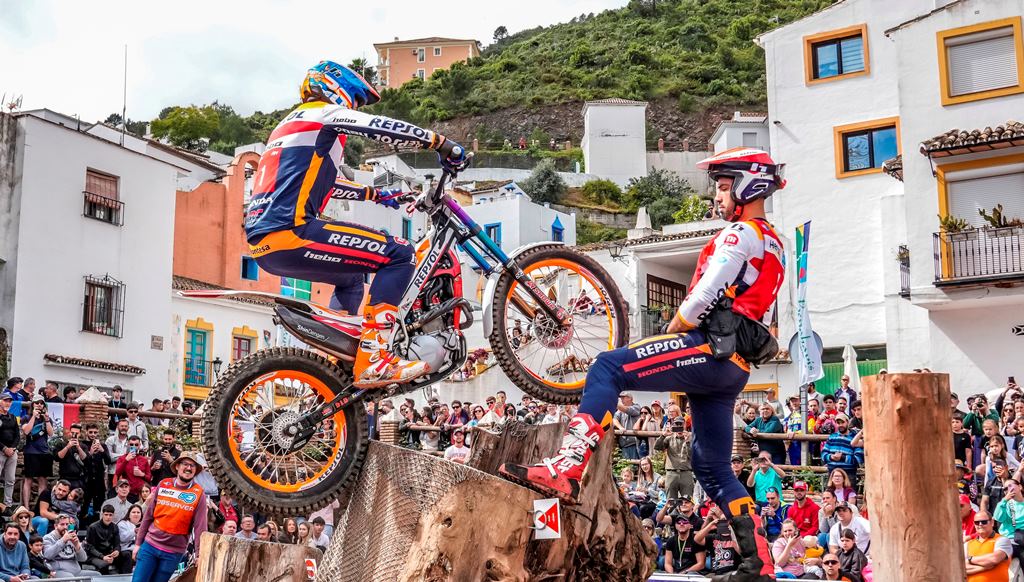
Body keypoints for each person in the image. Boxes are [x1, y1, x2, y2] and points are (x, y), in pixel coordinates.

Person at [499, 148, 786, 580]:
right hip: (736, 366)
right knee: (711, 467)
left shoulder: (738, 234)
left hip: (709, 347)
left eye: (725, 187)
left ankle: (566, 468)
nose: (718, 196)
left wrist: (675, 328)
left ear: (749, 186)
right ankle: (757, 563)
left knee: (607, 367)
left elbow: (707, 291)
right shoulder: (775, 242)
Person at [245, 61, 467, 388]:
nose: (356, 107)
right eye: (356, 100)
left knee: (351, 282)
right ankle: (374, 356)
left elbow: (322, 182)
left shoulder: (286, 129)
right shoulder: (322, 113)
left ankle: (335, 366)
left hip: (265, 244)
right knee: (400, 253)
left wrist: (376, 194)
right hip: (291, 233)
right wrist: (441, 143)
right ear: (337, 89)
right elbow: (381, 126)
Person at [133, 452, 208, 582]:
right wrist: (138, 544)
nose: (188, 468)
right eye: (185, 464)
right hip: (150, 546)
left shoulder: (199, 493)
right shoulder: (163, 484)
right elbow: (148, 516)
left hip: (173, 553)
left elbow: (200, 527)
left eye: (192, 465)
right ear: (177, 466)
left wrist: (199, 554)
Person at [21, 397, 54, 507]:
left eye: (41, 403)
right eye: (37, 403)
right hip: (30, 452)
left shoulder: (46, 418)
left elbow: (51, 433)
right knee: (28, 480)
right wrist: (34, 417)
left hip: (44, 453)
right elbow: (26, 431)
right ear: (32, 405)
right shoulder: (26, 417)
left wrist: (47, 420)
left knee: (42, 480)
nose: (39, 405)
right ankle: (26, 507)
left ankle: (40, 507)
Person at [654, 417, 695, 500]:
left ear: (685, 425)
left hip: (686, 473)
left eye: (681, 424)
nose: (679, 426)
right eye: (677, 424)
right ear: (673, 425)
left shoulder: (691, 438)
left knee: (687, 501)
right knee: (670, 501)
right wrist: (663, 435)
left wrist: (687, 442)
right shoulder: (669, 438)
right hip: (671, 473)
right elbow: (657, 447)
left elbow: (692, 456)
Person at [965, 510, 1012, 582]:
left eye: (984, 522)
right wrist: (984, 567)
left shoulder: (1002, 540)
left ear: (992, 522)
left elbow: (994, 559)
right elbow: (962, 568)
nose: (980, 524)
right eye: (977, 522)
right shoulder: (968, 544)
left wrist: (969, 559)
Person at [821, 413, 864, 490]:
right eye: (838, 423)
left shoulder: (854, 438)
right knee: (830, 496)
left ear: (848, 422)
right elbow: (823, 454)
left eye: (842, 422)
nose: (840, 425)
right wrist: (831, 457)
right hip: (833, 474)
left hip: (849, 474)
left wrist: (843, 457)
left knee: (850, 496)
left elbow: (859, 459)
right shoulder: (832, 437)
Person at [694, 504, 739, 576]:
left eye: (724, 522)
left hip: (732, 573)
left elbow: (740, 551)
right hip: (715, 573)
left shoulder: (736, 537)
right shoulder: (713, 537)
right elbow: (697, 539)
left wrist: (723, 518)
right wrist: (709, 522)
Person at [87, 504, 129, 574]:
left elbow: (117, 544)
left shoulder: (115, 527)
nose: (108, 517)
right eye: (106, 515)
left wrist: (117, 551)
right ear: (102, 514)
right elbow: (90, 547)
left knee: (126, 555)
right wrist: (102, 557)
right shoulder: (93, 527)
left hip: (109, 554)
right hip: (95, 555)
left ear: (113, 515)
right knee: (104, 564)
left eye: (110, 515)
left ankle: (126, 577)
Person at [43, 513, 87, 578]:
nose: (65, 527)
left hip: (76, 571)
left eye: (67, 524)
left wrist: (77, 545)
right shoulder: (48, 538)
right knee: (70, 578)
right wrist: (63, 540)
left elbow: (83, 559)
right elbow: (47, 555)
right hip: (58, 571)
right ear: (55, 526)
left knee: (97, 575)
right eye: (62, 524)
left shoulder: (71, 535)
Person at [115, 436, 151, 502]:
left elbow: (149, 478)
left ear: (139, 446)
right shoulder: (122, 458)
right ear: (128, 445)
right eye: (131, 444)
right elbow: (117, 473)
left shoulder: (144, 460)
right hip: (128, 493)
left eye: (136, 445)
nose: (134, 446)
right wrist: (126, 460)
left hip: (141, 493)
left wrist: (142, 474)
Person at [0, 394, 19, 511]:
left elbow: (17, 435)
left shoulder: (12, 417)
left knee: (11, 479)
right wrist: (4, 448)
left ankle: (8, 505)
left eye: (9, 401)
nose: (8, 403)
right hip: (0, 451)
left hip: (12, 452)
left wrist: (12, 448)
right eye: (5, 401)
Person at [613, 393, 642, 460]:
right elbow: (614, 419)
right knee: (625, 465)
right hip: (623, 446)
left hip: (634, 445)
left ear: (630, 398)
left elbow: (627, 410)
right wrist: (620, 427)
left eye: (623, 398)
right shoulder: (620, 411)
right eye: (621, 398)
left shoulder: (637, 407)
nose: (621, 400)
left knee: (634, 465)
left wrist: (613, 401)